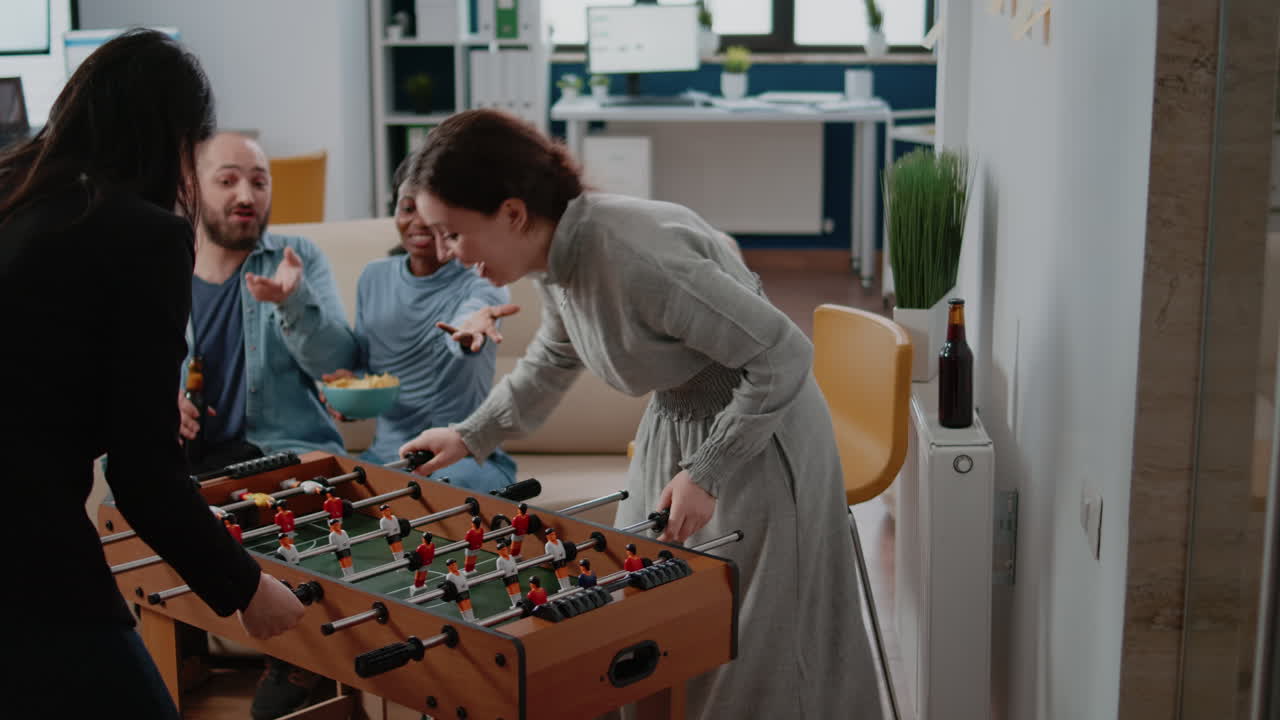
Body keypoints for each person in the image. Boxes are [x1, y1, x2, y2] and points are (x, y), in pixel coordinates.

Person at [398, 109, 880, 719]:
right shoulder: (558, 257)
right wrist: (470, 436)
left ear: (513, 214)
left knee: (751, 647)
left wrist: (707, 472)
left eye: (452, 233)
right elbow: (554, 355)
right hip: (676, 427)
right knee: (642, 617)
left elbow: (784, 355)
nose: (446, 253)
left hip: (758, 429)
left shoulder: (633, 254)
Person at [0, 30, 304, 719]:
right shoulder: (146, 233)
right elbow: (143, 478)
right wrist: (248, 590)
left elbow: (37, 366)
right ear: (177, 140)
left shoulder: (15, 195)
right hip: (27, 549)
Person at [324, 156, 516, 492]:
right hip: (386, 457)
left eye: (433, 210)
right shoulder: (374, 276)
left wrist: (467, 332)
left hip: (464, 460)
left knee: (436, 494)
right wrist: (349, 393)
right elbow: (371, 371)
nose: (419, 221)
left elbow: (473, 316)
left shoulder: (484, 277)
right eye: (407, 207)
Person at [178, 131, 356, 474]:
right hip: (181, 470)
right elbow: (112, 372)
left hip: (284, 459)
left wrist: (293, 301)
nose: (246, 196)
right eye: (227, 181)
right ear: (192, 187)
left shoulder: (298, 257)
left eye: (259, 183)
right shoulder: (157, 268)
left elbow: (336, 363)